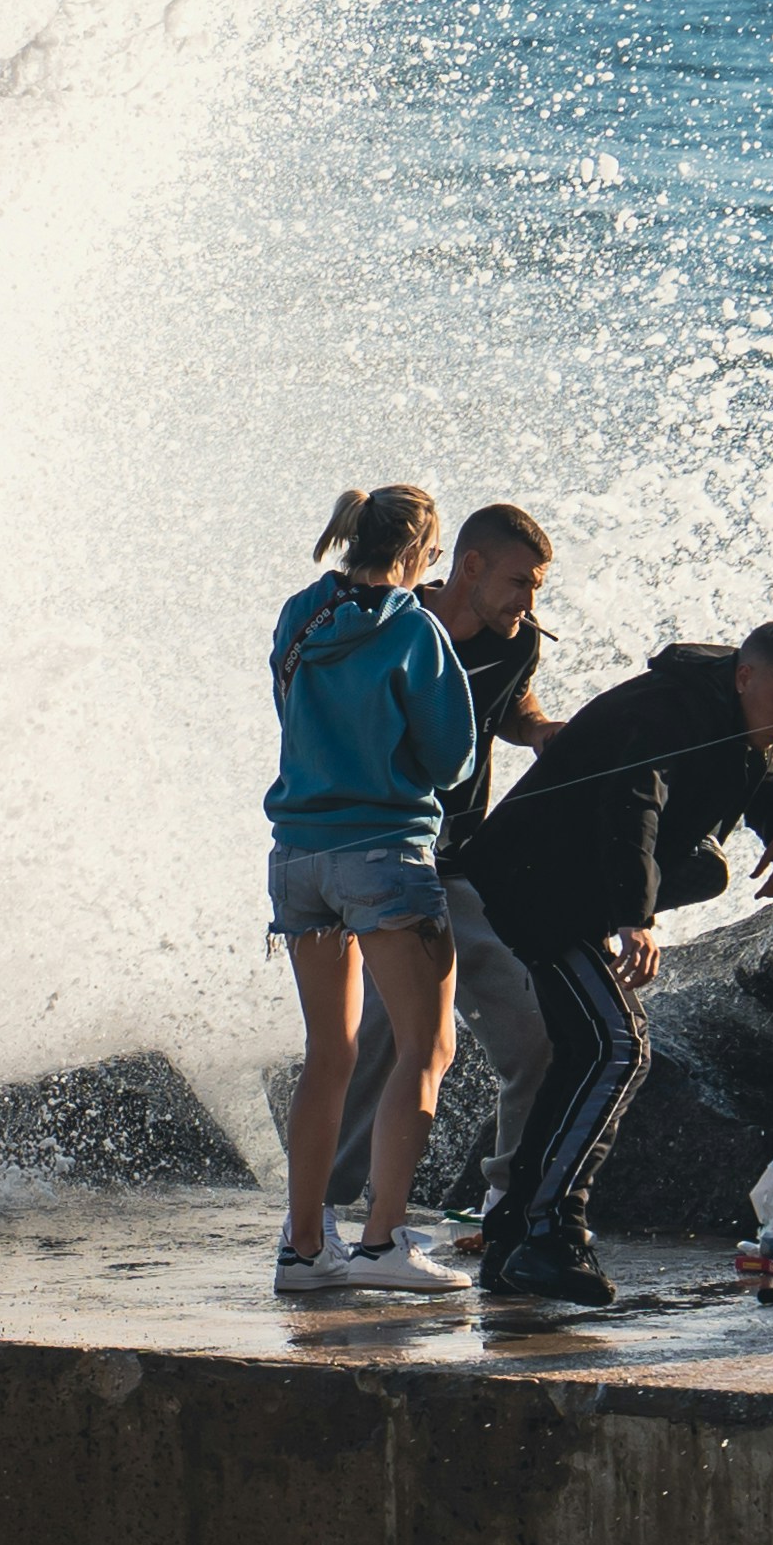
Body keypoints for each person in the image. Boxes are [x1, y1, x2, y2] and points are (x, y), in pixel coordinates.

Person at [448, 619, 773, 1306]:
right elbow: (631, 806)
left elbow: (756, 765)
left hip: (563, 900)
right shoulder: (665, 709)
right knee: (614, 1046)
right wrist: (634, 918)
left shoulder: (725, 706)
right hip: (527, 891)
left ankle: (517, 1236)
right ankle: (546, 1233)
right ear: (746, 676)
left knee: (600, 1048)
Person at [265, 483, 482, 1295]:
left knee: (330, 1053)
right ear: (424, 552)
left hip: (296, 857)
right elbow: (448, 762)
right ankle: (384, 1241)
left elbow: (288, 707)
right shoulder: (416, 631)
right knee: (427, 1049)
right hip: (384, 856)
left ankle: (303, 1250)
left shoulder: (299, 614)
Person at [324, 501, 566, 1222]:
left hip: (461, 868)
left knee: (533, 1040)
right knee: (386, 1039)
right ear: (468, 567)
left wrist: (540, 730)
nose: (527, 602)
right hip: (379, 857)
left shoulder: (516, 642)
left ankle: (506, 1208)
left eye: (537, 588)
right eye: (520, 582)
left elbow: (510, 703)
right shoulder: (394, 624)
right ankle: (326, 1215)